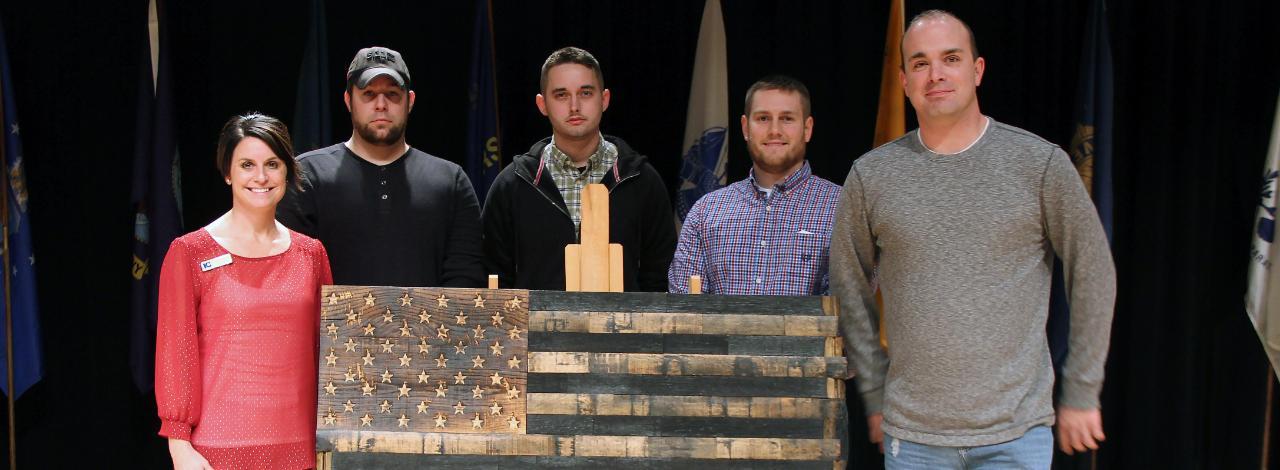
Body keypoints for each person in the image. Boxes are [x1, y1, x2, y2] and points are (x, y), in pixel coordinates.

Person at [829, 10, 1116, 468]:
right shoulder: (872, 175)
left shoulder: (1039, 164)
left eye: (951, 58)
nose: (936, 74)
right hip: (914, 439)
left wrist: (1081, 388)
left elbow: (1093, 270)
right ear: (903, 80)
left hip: (1016, 436)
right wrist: (875, 390)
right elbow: (847, 282)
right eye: (920, 63)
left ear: (977, 70)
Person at [156, 113, 333, 469]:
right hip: (217, 450)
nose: (261, 177)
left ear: (287, 171)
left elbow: (327, 353)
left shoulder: (311, 254)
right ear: (227, 172)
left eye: (272, 164)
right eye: (247, 165)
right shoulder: (190, 252)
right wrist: (179, 444)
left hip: (300, 447)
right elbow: (176, 350)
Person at [277, 46, 484, 287]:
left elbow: (465, 283)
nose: (381, 104)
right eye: (368, 94)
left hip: (429, 325)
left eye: (393, 94)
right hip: (331, 326)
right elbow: (291, 280)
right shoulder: (308, 175)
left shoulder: (451, 181)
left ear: (410, 101)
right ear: (348, 100)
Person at [482, 46, 676, 291]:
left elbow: (659, 280)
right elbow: (494, 280)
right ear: (542, 104)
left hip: (623, 329)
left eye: (585, 93)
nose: (574, 106)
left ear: (604, 99)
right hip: (535, 330)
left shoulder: (642, 181)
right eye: (561, 95)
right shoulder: (511, 185)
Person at [668, 75, 840, 295]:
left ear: (807, 129)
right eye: (763, 118)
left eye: (787, 118)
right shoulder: (706, 212)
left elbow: (846, 310)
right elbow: (685, 311)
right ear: (745, 127)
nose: (774, 130)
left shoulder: (842, 208)